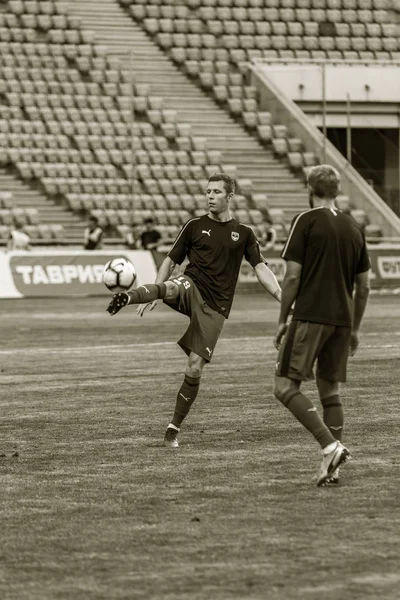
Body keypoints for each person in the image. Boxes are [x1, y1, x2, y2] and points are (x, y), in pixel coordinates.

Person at [106, 173, 283, 448]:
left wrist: (281, 295)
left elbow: (261, 268)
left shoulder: (245, 234)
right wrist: (156, 288)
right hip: (192, 284)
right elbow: (171, 259)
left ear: (229, 196)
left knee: (194, 367)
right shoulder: (194, 226)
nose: (210, 196)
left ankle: (172, 431)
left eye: (215, 192)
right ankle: (128, 297)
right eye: (207, 191)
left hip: (216, 307)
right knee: (173, 287)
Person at [273, 164, 371, 487]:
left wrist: (282, 318)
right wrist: (355, 329)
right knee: (330, 391)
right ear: (337, 191)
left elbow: (291, 277)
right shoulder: (354, 227)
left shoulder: (305, 220)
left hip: (311, 315)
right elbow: (364, 286)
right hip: (342, 321)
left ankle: (330, 447)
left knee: (285, 387)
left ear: (309, 189)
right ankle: (333, 469)